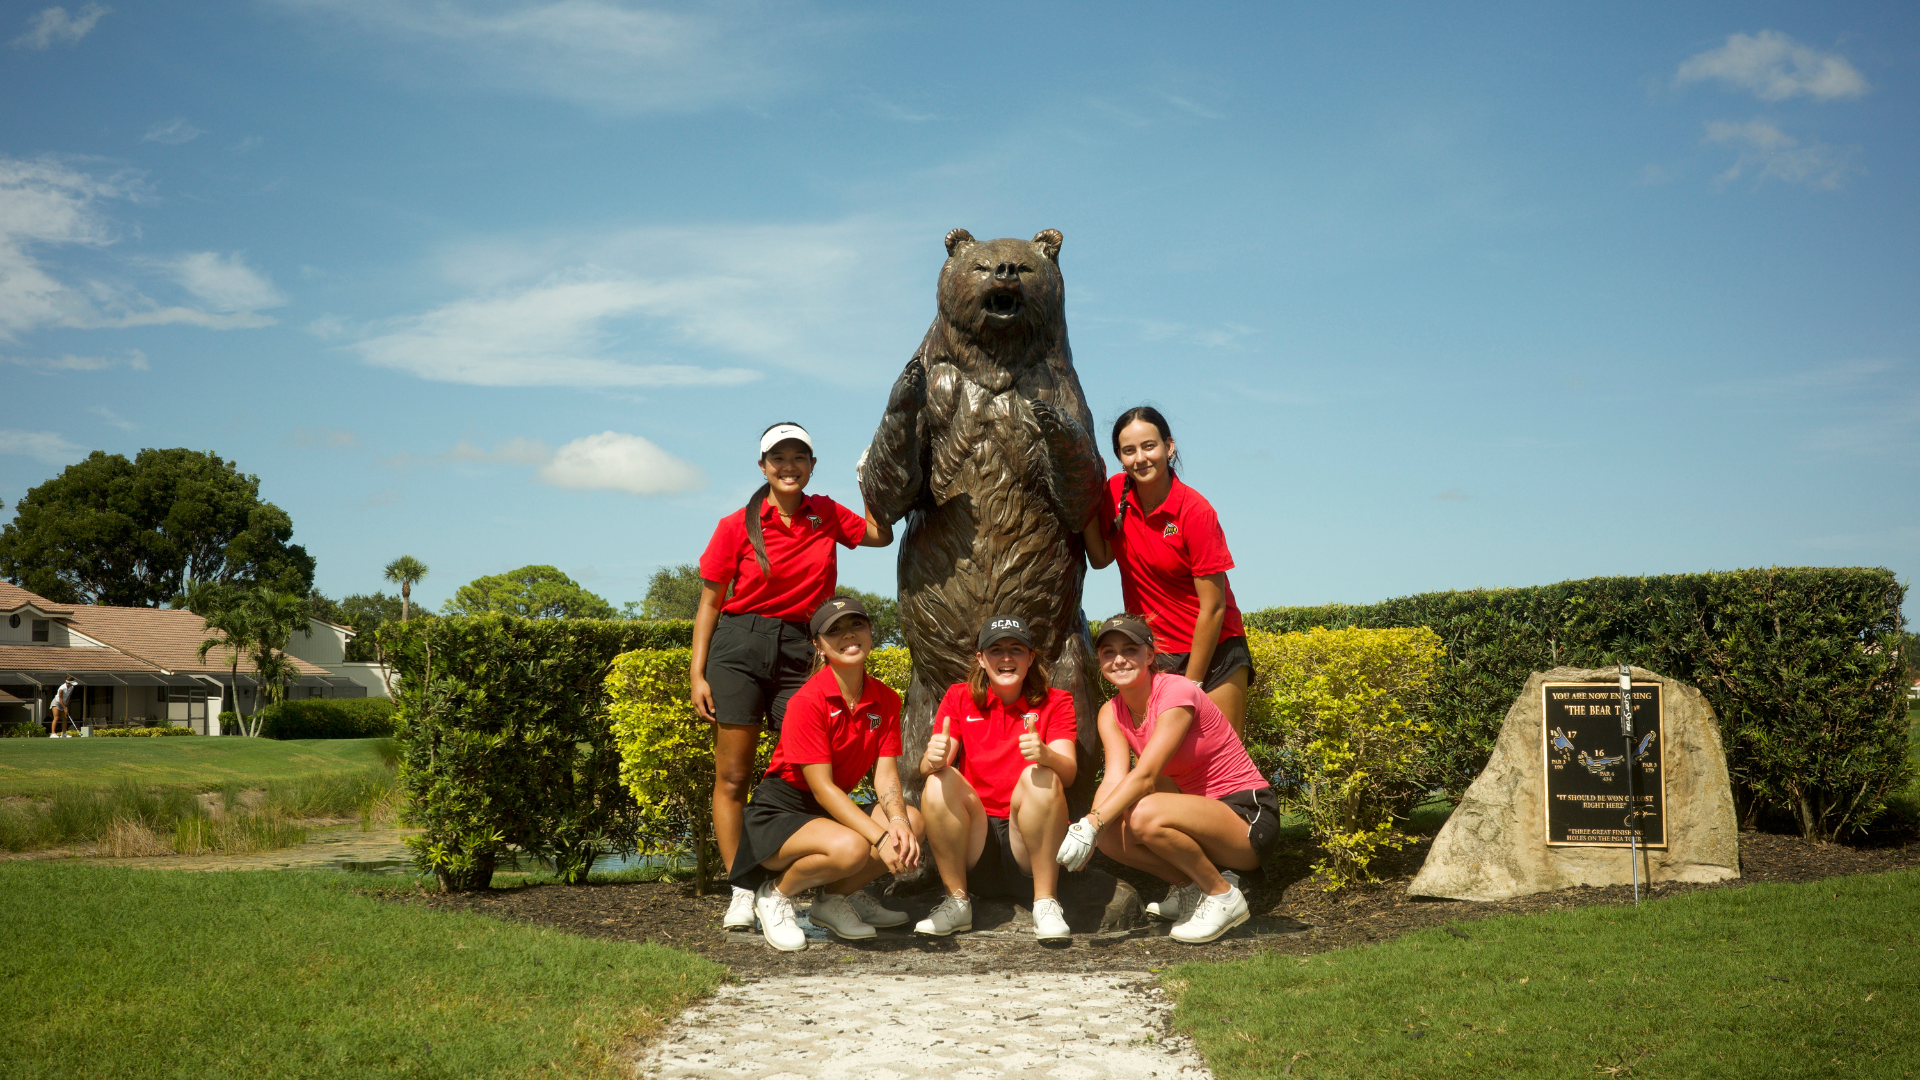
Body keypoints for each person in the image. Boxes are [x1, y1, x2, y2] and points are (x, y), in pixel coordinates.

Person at [692, 422, 889, 932]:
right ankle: (742, 885)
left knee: (805, 767)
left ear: (812, 465)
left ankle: (827, 881)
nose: (788, 466)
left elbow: (879, 534)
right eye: (777, 458)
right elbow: (710, 602)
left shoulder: (826, 512)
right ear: (763, 467)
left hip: (802, 646)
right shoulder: (737, 524)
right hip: (738, 645)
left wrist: (869, 480)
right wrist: (698, 672)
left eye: (798, 457)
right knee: (733, 775)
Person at [1055, 614, 1279, 944]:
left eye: (1130, 649)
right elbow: (1114, 777)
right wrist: (1090, 832)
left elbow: (1145, 775)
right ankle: (1191, 889)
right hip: (1197, 818)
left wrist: (1091, 821)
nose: (1119, 659)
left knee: (1142, 813)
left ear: (1149, 656)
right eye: (1108, 652)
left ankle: (1223, 896)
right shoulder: (1111, 712)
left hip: (1246, 817)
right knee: (1110, 836)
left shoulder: (1177, 691)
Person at [727, 595, 924, 951]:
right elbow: (823, 790)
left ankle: (834, 898)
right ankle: (774, 895)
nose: (849, 635)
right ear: (818, 646)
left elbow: (885, 776)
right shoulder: (806, 701)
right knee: (852, 848)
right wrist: (879, 839)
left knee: (913, 825)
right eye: (834, 631)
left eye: (856, 625)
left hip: (828, 811)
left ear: (870, 632)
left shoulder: (886, 700)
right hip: (781, 812)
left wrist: (897, 822)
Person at [1082, 406, 1254, 736]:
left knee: (1218, 769)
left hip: (1215, 651)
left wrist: (1191, 684)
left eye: (1149, 446)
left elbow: (1214, 607)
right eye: (1128, 450)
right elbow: (1101, 557)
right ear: (1119, 456)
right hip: (1153, 656)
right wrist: (1086, 502)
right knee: (1162, 772)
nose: (1140, 458)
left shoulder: (1196, 511)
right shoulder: (1113, 492)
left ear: (1169, 447)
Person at [914, 614, 1079, 942]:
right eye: (996, 649)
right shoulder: (959, 697)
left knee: (1039, 775)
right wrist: (930, 761)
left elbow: (1069, 772)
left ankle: (1046, 902)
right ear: (980, 658)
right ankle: (957, 901)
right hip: (977, 840)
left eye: (1016, 649)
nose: (1006, 658)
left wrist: (1044, 754)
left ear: (1030, 658)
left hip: (1028, 843)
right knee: (937, 780)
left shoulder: (1056, 701)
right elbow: (935, 763)